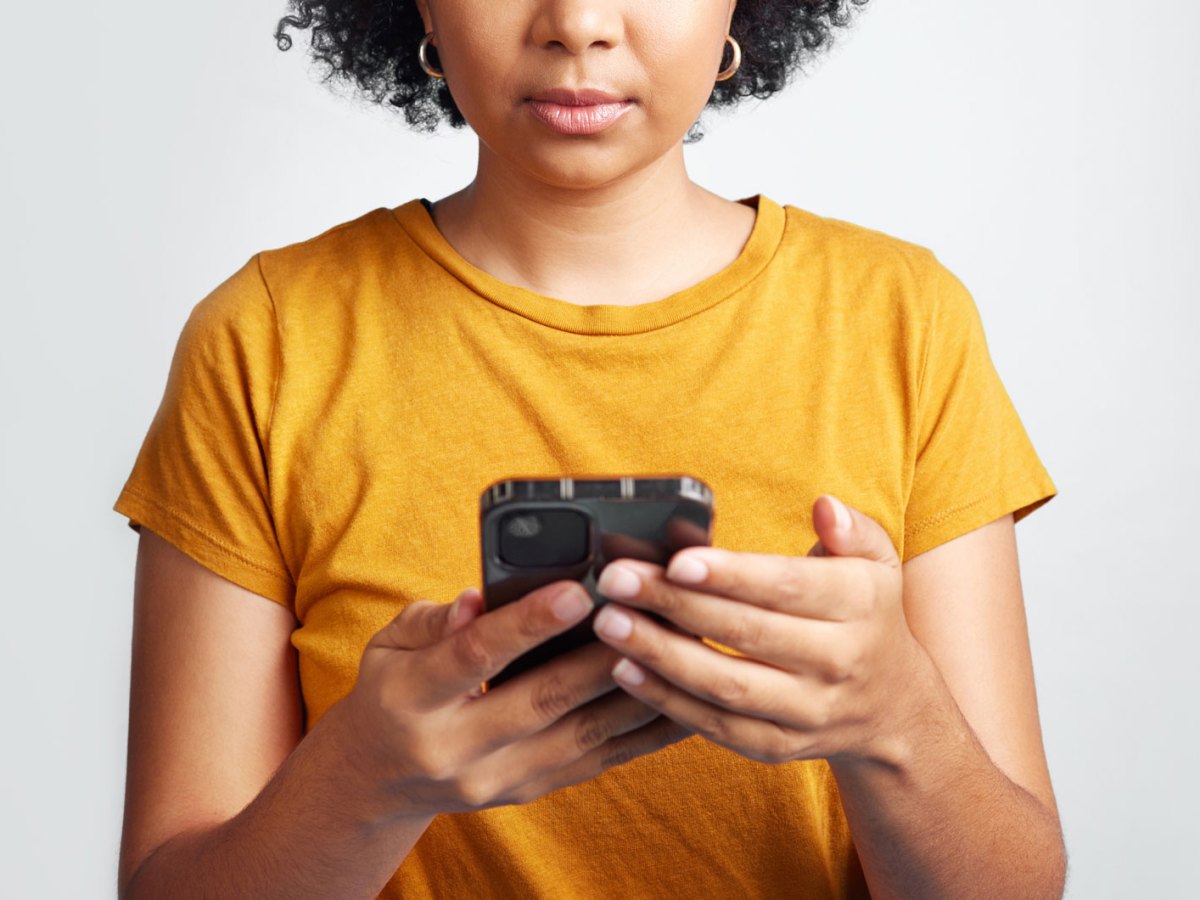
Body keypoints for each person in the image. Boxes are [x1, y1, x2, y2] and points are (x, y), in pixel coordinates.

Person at [112, 1, 1068, 897]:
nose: (577, 23)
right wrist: (365, 783)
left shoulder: (903, 321)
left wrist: (897, 722)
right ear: (424, 11)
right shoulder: (268, 341)